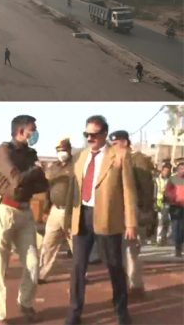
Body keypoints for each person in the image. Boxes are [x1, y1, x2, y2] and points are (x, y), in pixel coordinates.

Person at [66, 115, 137, 325]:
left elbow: (129, 191)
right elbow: (74, 190)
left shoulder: (120, 155)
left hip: (108, 218)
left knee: (114, 265)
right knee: (78, 267)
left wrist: (131, 222)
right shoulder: (81, 157)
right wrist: (67, 220)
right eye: (86, 134)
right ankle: (74, 312)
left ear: (105, 134)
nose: (90, 138)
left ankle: (121, 310)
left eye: (94, 135)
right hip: (82, 217)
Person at [0, 115, 48, 325]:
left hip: (25, 211)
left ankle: (25, 302)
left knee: (32, 262)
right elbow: (16, 179)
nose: (35, 133)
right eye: (33, 129)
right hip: (3, 210)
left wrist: (28, 179)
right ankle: (0, 314)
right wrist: (34, 172)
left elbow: (42, 186)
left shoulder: (31, 154)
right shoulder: (4, 150)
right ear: (21, 131)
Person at [109, 130, 155, 298]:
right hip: (117, 213)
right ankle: (125, 286)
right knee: (119, 253)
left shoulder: (137, 159)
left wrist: (144, 211)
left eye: (116, 144)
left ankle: (136, 287)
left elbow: (146, 188)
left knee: (130, 251)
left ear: (125, 143)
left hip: (134, 211)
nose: (113, 147)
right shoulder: (115, 159)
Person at [38, 137, 75, 284]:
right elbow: (48, 190)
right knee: (48, 243)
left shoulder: (77, 166)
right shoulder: (53, 168)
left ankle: (80, 275)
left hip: (72, 211)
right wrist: (46, 210)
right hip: (55, 210)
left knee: (76, 245)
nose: (61, 153)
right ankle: (41, 274)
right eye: (59, 151)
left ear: (70, 150)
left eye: (64, 150)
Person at [164, 161, 184, 257]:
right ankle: (177, 248)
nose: (183, 171)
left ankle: (180, 245)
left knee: (182, 228)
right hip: (175, 206)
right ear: (177, 170)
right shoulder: (173, 179)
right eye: (181, 169)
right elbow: (167, 191)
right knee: (176, 227)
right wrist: (174, 198)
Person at [154, 162, 173, 245]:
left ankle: (167, 238)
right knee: (160, 221)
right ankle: (159, 239)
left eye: (168, 171)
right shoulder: (156, 180)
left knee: (169, 221)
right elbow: (154, 191)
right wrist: (155, 203)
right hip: (159, 202)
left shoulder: (172, 180)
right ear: (162, 170)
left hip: (169, 202)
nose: (166, 172)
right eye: (165, 170)